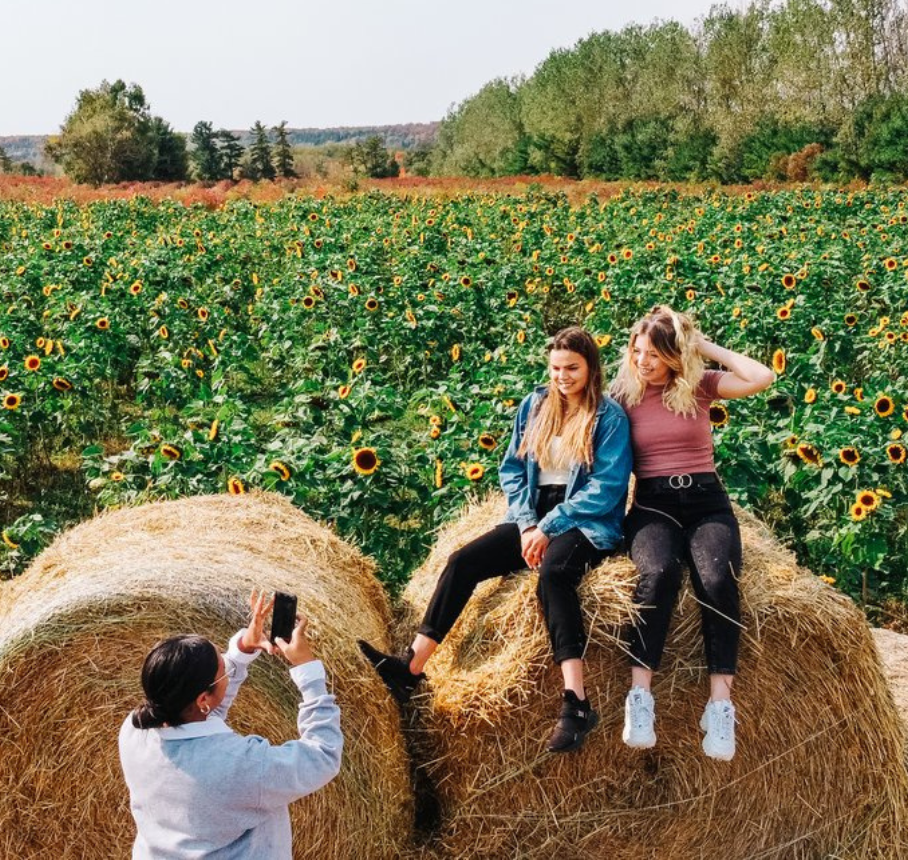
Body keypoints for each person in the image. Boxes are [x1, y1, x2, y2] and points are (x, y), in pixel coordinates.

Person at [358, 326, 632, 753]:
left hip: (585, 520)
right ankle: (412, 667)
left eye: (572, 368)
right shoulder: (535, 405)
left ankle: (576, 702)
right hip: (534, 514)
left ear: (590, 368)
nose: (563, 376)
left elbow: (607, 488)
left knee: (554, 575)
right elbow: (512, 470)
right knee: (462, 561)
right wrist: (526, 524)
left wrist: (550, 525)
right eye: (557, 367)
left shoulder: (608, 417)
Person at [613, 305, 774, 761]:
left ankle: (720, 705)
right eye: (637, 351)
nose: (643, 361)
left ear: (673, 355)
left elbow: (761, 377)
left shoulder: (700, 387)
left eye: (654, 353)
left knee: (719, 580)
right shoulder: (622, 395)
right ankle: (640, 697)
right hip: (652, 505)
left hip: (707, 502)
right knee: (658, 573)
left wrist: (700, 344)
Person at [119, 591, 343, 859]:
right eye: (223, 667)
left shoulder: (134, 729)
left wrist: (243, 649)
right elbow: (323, 755)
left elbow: (203, 715)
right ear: (203, 698)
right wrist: (308, 671)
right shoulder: (244, 766)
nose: (227, 665)